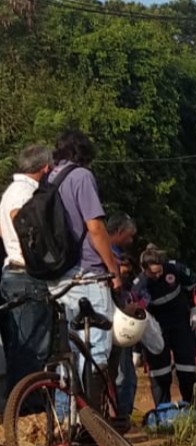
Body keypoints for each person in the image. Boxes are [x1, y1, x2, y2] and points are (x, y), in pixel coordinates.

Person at [48, 130, 122, 376]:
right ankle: (89, 413)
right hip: (88, 274)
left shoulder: (49, 178)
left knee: (68, 350)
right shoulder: (81, 176)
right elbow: (96, 228)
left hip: (58, 275)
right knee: (96, 350)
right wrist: (113, 270)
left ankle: (64, 413)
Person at [0, 144, 54, 399]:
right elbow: (19, 222)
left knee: (19, 349)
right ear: (45, 167)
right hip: (27, 275)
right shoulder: (25, 194)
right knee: (32, 352)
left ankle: (17, 412)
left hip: (13, 273)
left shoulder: (12, 191)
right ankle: (27, 413)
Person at [130, 244, 196, 407]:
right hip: (157, 327)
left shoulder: (175, 269)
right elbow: (136, 316)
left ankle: (191, 407)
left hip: (181, 321)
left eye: (159, 271)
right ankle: (163, 411)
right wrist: (136, 349)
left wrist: (195, 309)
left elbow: (194, 286)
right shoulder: (139, 286)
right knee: (160, 373)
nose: (157, 275)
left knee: (187, 369)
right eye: (152, 273)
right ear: (144, 269)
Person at [106, 212, 138, 421]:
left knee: (123, 374)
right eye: (129, 235)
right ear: (118, 231)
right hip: (115, 320)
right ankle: (119, 418)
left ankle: (118, 415)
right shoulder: (108, 255)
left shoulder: (110, 253)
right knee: (122, 374)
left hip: (115, 317)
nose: (131, 240)